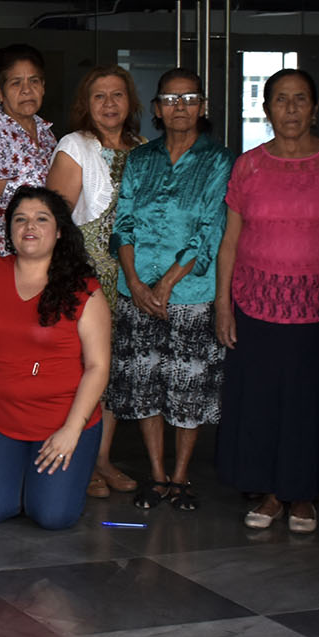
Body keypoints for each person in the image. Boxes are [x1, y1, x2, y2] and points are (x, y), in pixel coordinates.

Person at [213, 68, 319, 534]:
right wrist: (223, 303)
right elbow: (230, 240)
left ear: (315, 108)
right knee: (265, 402)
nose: (291, 108)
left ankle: (304, 495)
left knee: (311, 403)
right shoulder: (249, 166)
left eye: (301, 99)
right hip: (258, 303)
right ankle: (272, 492)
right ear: (267, 109)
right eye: (281, 100)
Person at [109, 68, 230, 513]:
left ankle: (181, 477)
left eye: (190, 98)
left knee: (188, 389)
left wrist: (165, 284)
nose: (180, 107)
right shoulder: (141, 159)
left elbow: (209, 231)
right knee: (145, 385)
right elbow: (123, 224)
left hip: (191, 294)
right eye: (171, 100)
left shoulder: (219, 161)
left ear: (203, 106)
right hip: (135, 291)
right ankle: (156, 475)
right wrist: (137, 284)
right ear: (158, 109)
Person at [0, 187, 112, 530]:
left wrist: (71, 431)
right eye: (20, 219)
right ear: (10, 230)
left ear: (59, 230)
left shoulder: (83, 289)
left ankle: (51, 476)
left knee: (53, 516)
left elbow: (98, 367)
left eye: (41, 219)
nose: (29, 226)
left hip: (61, 422)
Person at [44, 65, 143, 498]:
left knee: (114, 370)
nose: (109, 104)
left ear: (131, 103)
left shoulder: (143, 150)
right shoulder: (75, 146)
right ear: (86, 104)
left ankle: (101, 457)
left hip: (131, 278)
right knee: (82, 368)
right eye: (99, 96)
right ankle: (77, 458)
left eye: (117, 95)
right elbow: (57, 220)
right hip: (89, 275)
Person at [0, 44, 57, 260]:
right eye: (16, 83)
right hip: (4, 262)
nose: (27, 90)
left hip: (39, 260)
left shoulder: (46, 133)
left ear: (43, 86)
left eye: (34, 81)